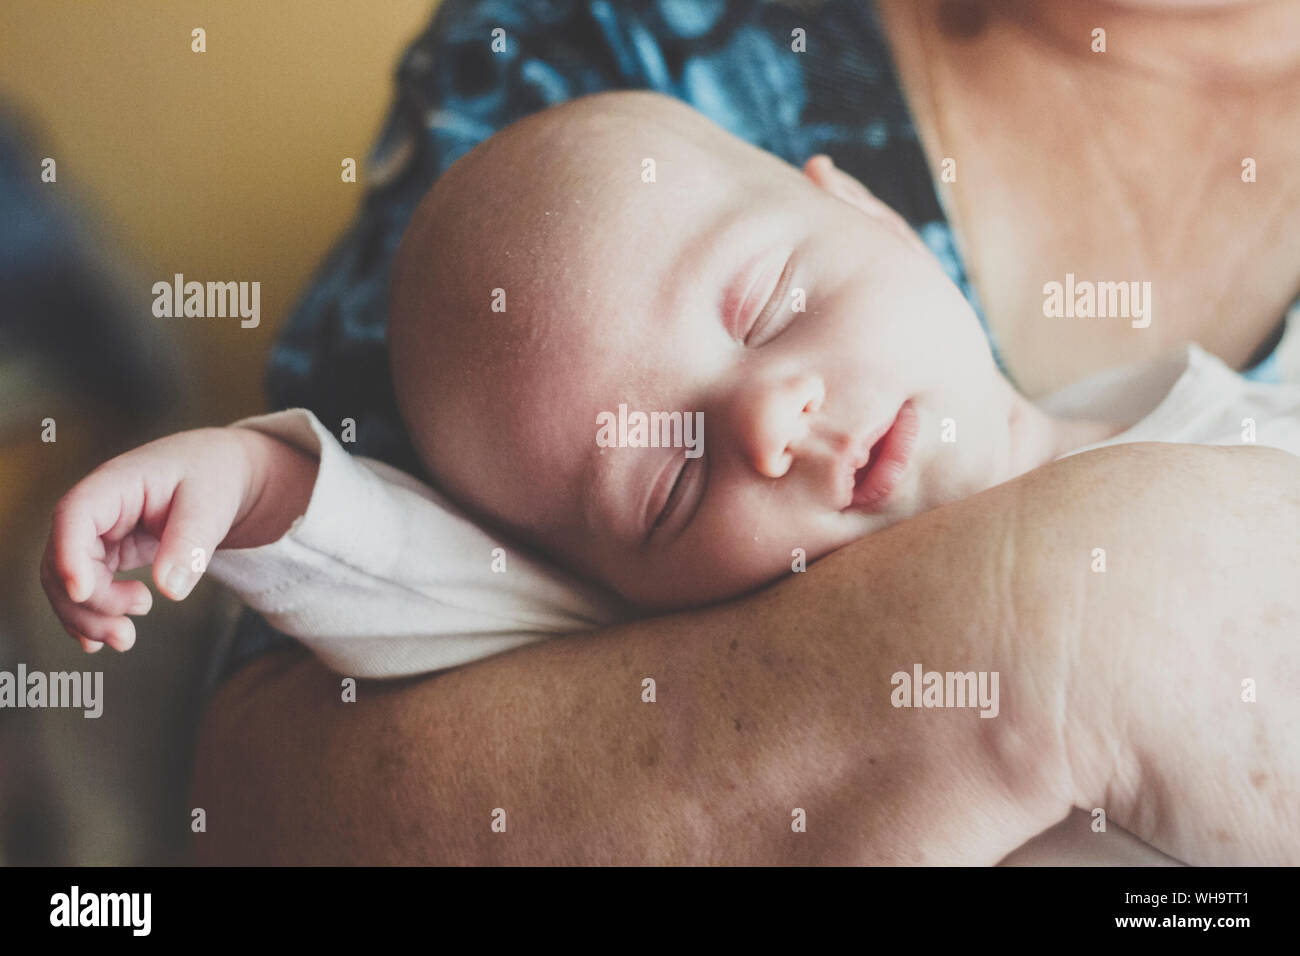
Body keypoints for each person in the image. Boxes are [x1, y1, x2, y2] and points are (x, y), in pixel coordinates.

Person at [183, 0, 1300, 863]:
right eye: (672, 483)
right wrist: (260, 486)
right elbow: (394, 609)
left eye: (772, 307)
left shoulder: (1226, 422)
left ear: (866, 210)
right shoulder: (584, 44)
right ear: (619, 585)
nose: (768, 420)